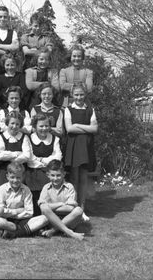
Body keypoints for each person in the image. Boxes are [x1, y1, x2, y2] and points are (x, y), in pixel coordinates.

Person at [64, 83, 98, 221]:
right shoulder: (68, 109)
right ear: (72, 95)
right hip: (73, 147)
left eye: (81, 94)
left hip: (86, 148)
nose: (79, 97)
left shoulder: (90, 109)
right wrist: (85, 128)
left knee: (84, 178)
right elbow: (69, 129)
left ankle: (82, 208)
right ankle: (74, 207)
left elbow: (95, 129)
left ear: (85, 95)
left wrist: (77, 125)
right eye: (76, 95)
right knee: (74, 179)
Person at [24, 112, 62, 216]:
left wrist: (42, 160)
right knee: (35, 195)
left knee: (49, 195)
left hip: (49, 172)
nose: (44, 128)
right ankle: (36, 218)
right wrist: (45, 162)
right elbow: (30, 158)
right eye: (41, 126)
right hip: (33, 172)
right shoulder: (29, 138)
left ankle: (50, 219)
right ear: (35, 127)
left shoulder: (55, 139)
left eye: (47, 125)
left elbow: (57, 156)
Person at [38, 159, 85, 240]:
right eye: (52, 175)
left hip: (68, 219)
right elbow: (42, 207)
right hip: (51, 220)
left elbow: (70, 208)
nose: (55, 178)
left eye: (58, 175)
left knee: (79, 210)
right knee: (44, 208)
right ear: (48, 175)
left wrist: (50, 208)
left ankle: (53, 231)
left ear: (64, 174)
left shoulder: (69, 186)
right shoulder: (46, 187)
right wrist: (60, 204)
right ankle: (69, 232)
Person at [0, 111, 30, 189]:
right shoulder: (1, 137)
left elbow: (27, 156)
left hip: (20, 172)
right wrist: (17, 154)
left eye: (17, 124)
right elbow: (0, 155)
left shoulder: (24, 137)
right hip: (5, 171)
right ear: (7, 123)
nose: (14, 126)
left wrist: (9, 157)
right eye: (12, 123)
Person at [25, 47, 60, 111]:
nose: (44, 62)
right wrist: (47, 84)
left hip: (50, 101)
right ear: (36, 59)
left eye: (47, 59)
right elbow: (30, 85)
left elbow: (56, 87)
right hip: (34, 102)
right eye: (41, 59)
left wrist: (37, 84)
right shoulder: (30, 71)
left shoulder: (53, 72)